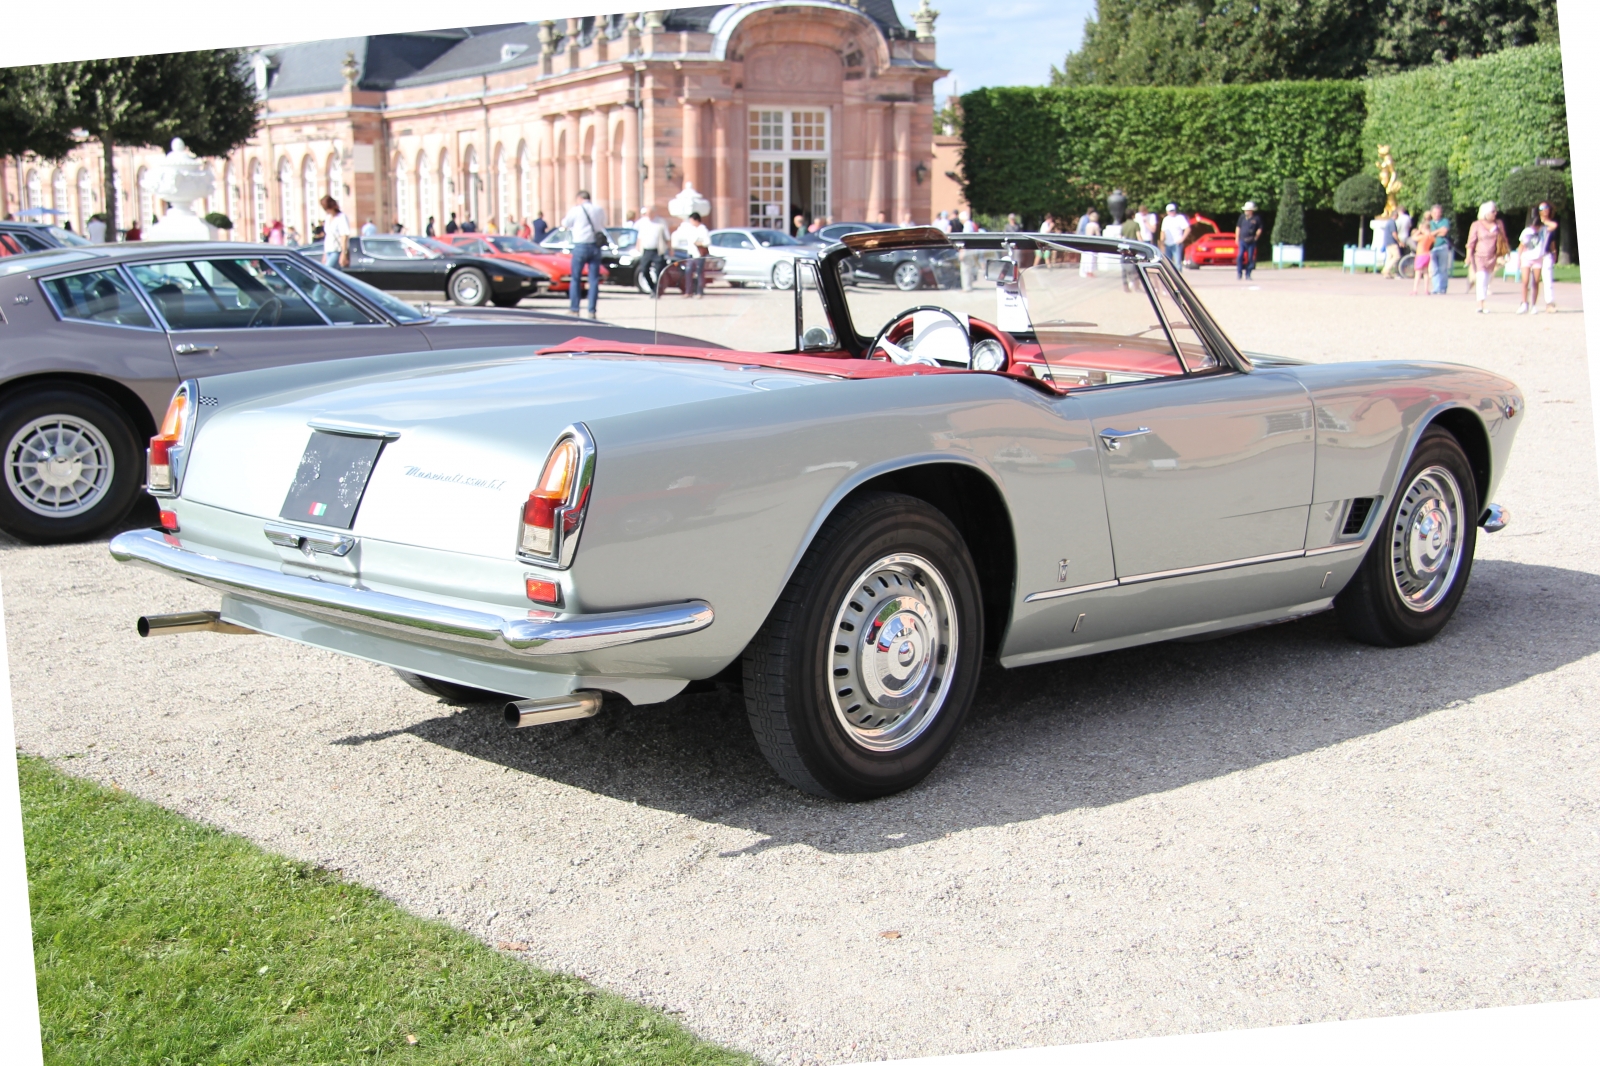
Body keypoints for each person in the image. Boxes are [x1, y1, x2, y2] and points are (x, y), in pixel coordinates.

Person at [561, 190, 609, 318]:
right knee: (593, 280)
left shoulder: (576, 210)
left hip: (580, 245)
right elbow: (603, 223)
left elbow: (565, 224)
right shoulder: (599, 209)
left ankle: (574, 308)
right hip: (595, 246)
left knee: (576, 278)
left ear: (579, 198)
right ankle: (592, 311)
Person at [1464, 202, 1508, 314]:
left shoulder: (1498, 224)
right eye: (1493, 211)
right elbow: (1471, 242)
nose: (1495, 213)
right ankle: (1480, 303)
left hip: (1493, 256)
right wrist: (1468, 256)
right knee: (1481, 278)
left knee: (1487, 279)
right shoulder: (1476, 225)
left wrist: (1506, 252)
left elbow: (1503, 239)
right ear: (1486, 213)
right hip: (1479, 256)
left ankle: (1482, 301)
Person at [672, 211, 711, 297]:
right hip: (691, 254)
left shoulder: (703, 229)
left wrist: (699, 243)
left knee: (699, 273)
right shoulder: (691, 229)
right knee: (688, 272)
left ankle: (699, 292)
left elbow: (707, 242)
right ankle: (688, 291)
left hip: (699, 255)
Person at [1516, 210, 1548, 314]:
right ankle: (1524, 303)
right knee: (1525, 281)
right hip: (1526, 258)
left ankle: (1534, 304)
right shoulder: (1527, 231)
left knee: (1536, 281)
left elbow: (1553, 226)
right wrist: (1518, 260)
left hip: (1537, 258)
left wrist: (1545, 219)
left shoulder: (1543, 231)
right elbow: (1521, 246)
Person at [633, 205, 669, 292]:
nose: (648, 215)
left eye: (650, 213)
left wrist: (670, 249)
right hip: (646, 250)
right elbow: (640, 236)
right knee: (644, 269)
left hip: (657, 250)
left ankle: (657, 289)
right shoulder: (643, 222)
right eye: (647, 213)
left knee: (658, 271)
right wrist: (637, 246)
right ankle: (652, 287)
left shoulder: (661, 222)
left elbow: (667, 236)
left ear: (654, 213)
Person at [1537, 202, 1559, 311]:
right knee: (1534, 280)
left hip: (1546, 254)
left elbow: (1552, 240)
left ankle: (1549, 303)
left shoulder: (1551, 223)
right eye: (1542, 208)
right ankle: (1530, 303)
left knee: (1547, 278)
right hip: (1534, 255)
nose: (1545, 210)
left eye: (1547, 208)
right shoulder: (1536, 223)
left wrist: (1554, 252)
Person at [320, 195, 351, 271]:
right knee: (332, 274)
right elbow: (328, 236)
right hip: (329, 250)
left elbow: (344, 236)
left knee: (326, 272)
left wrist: (344, 253)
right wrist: (324, 254)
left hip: (337, 251)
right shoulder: (328, 218)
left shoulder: (341, 217)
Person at [1425, 204, 1451, 295]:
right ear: (1431, 213)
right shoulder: (1429, 223)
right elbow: (1428, 234)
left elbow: (1444, 232)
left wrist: (1434, 233)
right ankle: (1436, 288)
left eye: (1438, 212)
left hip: (1442, 246)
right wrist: (1437, 231)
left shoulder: (1445, 221)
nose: (1436, 214)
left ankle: (1443, 288)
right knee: (1434, 269)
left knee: (1443, 268)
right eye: (1434, 213)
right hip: (1432, 248)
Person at [1235, 201, 1264, 280]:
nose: (1246, 211)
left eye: (1248, 210)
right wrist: (1237, 237)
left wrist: (1256, 237)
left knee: (1250, 258)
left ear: (1251, 211)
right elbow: (1238, 227)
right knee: (1240, 256)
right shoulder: (1242, 217)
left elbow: (1260, 228)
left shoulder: (1256, 218)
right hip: (1242, 240)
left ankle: (1248, 274)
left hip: (1251, 241)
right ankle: (1239, 273)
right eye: (1245, 210)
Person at [1159, 203, 1188, 270]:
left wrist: (1182, 239)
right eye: (1170, 211)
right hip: (1167, 244)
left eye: (1173, 210)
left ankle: (1179, 279)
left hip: (1176, 243)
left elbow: (1187, 228)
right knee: (1168, 263)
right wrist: (1162, 242)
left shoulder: (1180, 218)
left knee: (1177, 263)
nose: (1172, 212)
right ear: (1167, 211)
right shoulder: (1166, 219)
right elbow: (1163, 231)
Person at [1410, 220, 1435, 296]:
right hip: (1427, 254)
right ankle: (1426, 290)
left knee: (1418, 273)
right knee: (1425, 273)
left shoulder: (1422, 237)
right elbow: (1434, 241)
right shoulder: (1431, 237)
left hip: (1420, 255)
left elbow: (1413, 238)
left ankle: (1415, 289)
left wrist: (1419, 231)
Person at [1375, 213, 1400, 278]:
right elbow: (1394, 233)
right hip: (1392, 242)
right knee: (1397, 256)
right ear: (1395, 216)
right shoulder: (1392, 223)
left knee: (1390, 257)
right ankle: (1386, 270)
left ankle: (1387, 273)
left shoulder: (1388, 222)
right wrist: (1399, 241)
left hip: (1387, 242)